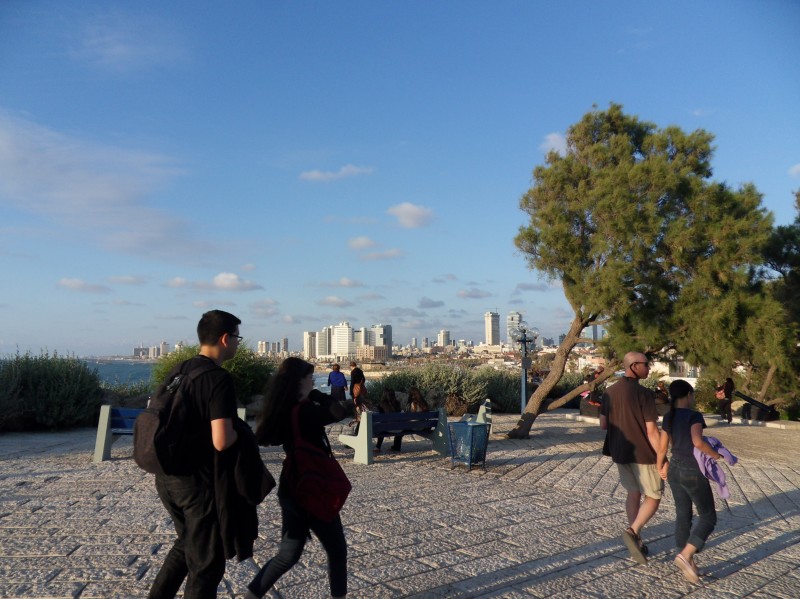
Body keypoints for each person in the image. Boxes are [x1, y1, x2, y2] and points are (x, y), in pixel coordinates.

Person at [149, 310, 242, 599]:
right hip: (196, 483)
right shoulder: (218, 378)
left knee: (186, 543)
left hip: (166, 477)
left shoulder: (180, 369)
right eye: (237, 338)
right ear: (225, 339)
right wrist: (241, 432)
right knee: (206, 565)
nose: (237, 344)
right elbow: (222, 440)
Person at [246, 358, 347, 599]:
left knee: (287, 555)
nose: (313, 381)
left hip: (292, 489)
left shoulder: (285, 409)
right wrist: (318, 395)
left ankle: (251, 595)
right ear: (299, 382)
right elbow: (339, 411)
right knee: (336, 550)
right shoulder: (305, 411)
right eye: (310, 377)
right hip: (314, 489)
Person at [599, 351, 662, 564]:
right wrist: (662, 458)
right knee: (653, 496)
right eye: (646, 364)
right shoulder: (644, 394)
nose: (649, 368)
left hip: (619, 451)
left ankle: (638, 540)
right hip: (643, 453)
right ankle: (633, 531)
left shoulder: (609, 391)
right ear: (634, 366)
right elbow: (652, 431)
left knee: (633, 493)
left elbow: (603, 424)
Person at [657, 379, 721, 584]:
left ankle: (687, 561)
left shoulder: (669, 416)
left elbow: (662, 447)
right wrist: (716, 455)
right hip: (692, 470)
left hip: (674, 469)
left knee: (683, 515)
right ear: (688, 395)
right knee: (708, 517)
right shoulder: (694, 416)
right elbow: (698, 442)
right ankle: (685, 555)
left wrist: (660, 466)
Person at [375, 388, 403, 453]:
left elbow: (379, 416)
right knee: (396, 425)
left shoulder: (382, 403)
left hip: (387, 428)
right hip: (399, 429)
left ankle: (378, 447)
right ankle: (397, 447)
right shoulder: (397, 403)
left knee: (382, 426)